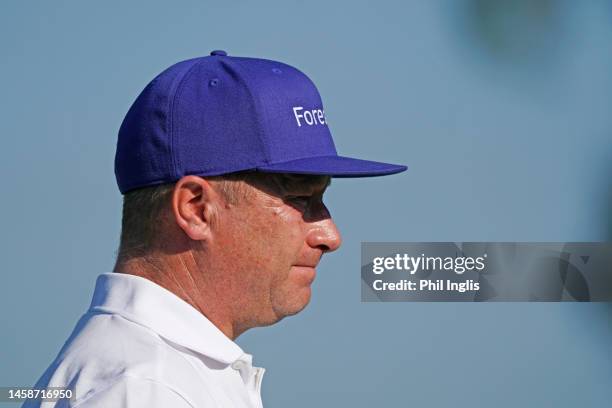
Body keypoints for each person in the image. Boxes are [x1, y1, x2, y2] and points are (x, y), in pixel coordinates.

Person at [24, 50, 406, 408]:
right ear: (195, 209)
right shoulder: (146, 389)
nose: (330, 236)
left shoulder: (149, 372)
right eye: (300, 199)